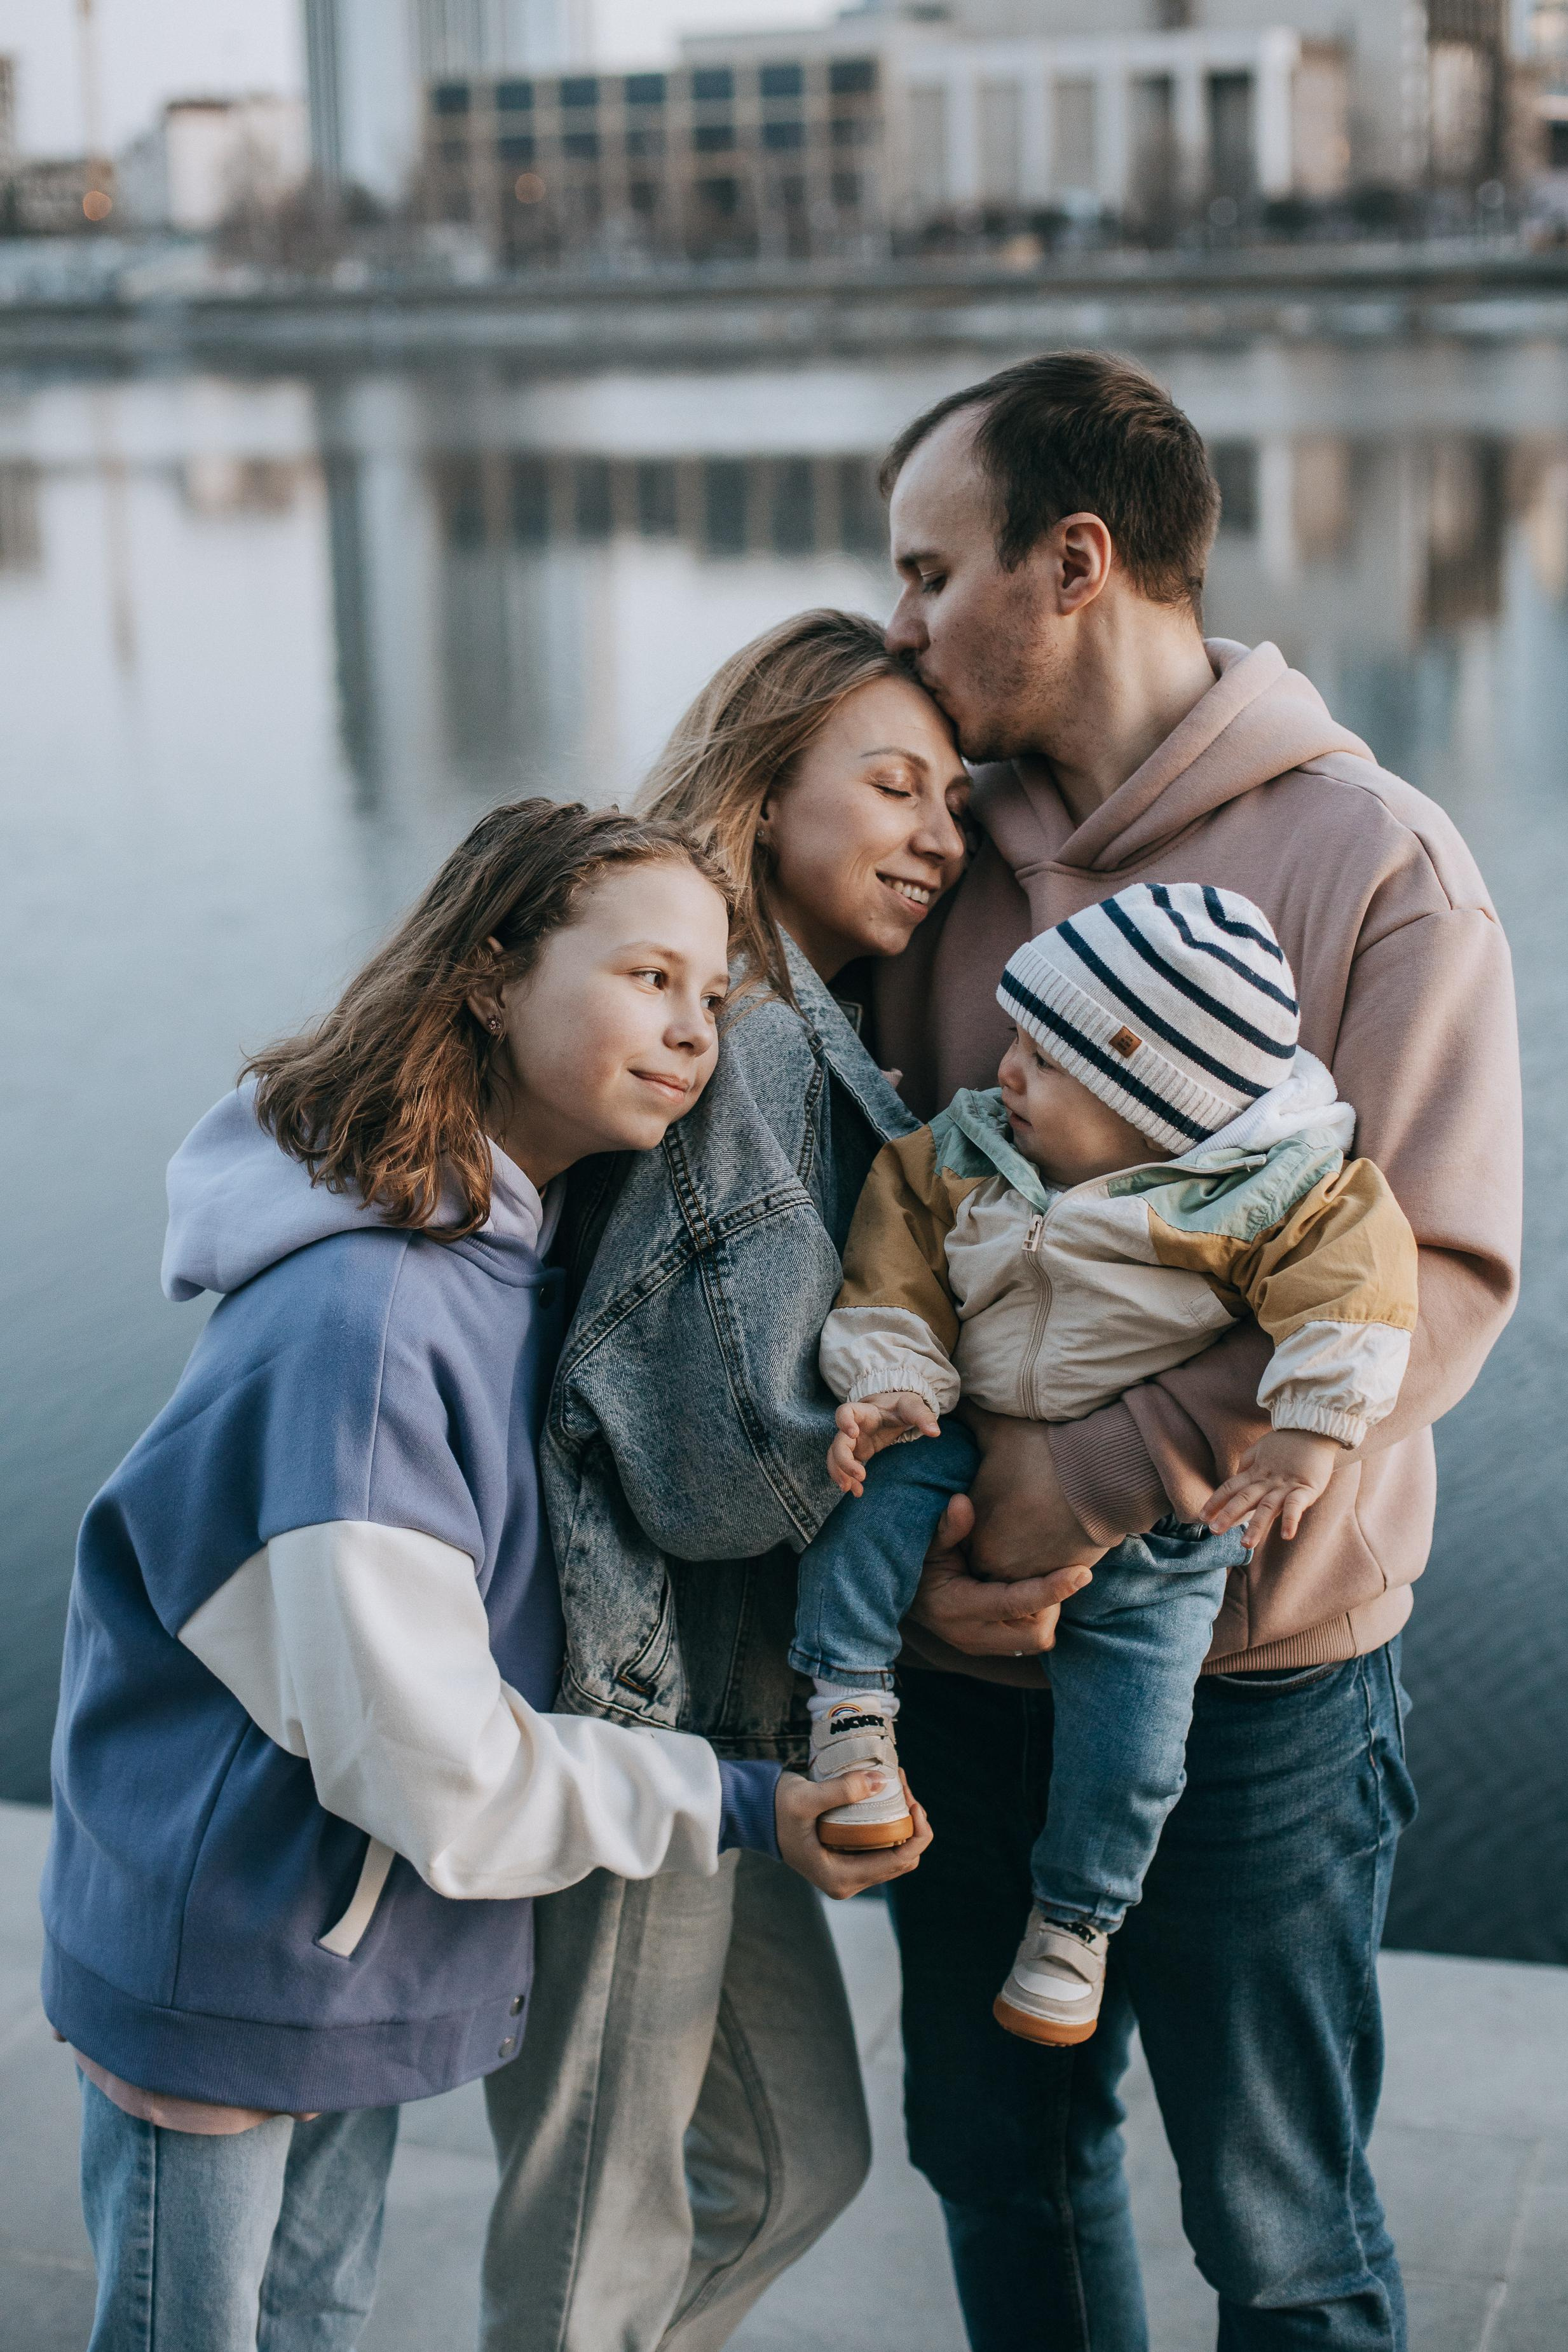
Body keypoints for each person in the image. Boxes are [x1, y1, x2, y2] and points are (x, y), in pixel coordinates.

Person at [41, 799, 900, 2352]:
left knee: (309, 2316)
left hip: (338, 1931)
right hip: (239, 1928)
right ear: (494, 976)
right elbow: (434, 1770)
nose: (692, 1031)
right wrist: (747, 1801)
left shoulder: (510, 1251)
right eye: (646, 976)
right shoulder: (366, 1323)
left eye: (710, 996)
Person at [869, 353, 1521, 2349]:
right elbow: (863, 1202)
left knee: (1275, 2218)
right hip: (963, 1665)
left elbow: (1432, 1277)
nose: (891, 622)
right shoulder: (924, 851)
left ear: (1072, 561)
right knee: (1002, 2158)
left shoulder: (1372, 861)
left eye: (923, 569)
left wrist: (1083, 1482)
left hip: (1258, 1679)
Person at [479, 611, 963, 2352]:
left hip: (711, 1721)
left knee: (793, 2157)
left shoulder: (787, 1030)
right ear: (764, 786)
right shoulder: (744, 1034)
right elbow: (716, 1470)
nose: (939, 834)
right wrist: (943, 1470)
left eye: (953, 803)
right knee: (594, 2233)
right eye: (895, 787)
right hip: (632, 1709)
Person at [794, 883, 1418, 2049]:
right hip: (966, 1428)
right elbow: (898, 1251)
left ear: (1154, 1107)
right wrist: (896, 1378)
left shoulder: (1262, 1196)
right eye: (1018, 1037)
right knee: (866, 1502)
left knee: (1134, 1739)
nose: (1007, 1070)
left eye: (1050, 1058)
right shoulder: (972, 1148)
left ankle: (1077, 1920)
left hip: (1166, 1534)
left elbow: (1363, 1282)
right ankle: (848, 1709)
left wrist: (1310, 1429)